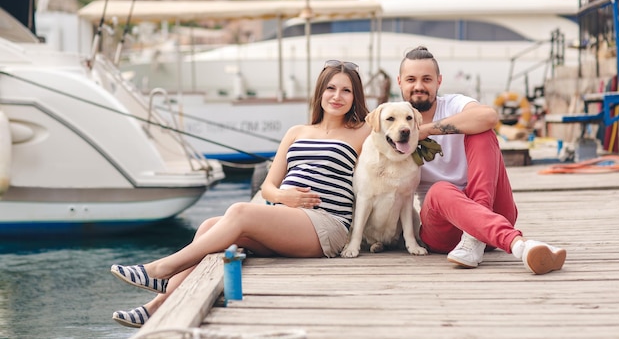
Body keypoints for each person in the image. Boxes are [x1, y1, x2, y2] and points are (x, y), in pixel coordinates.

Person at [109, 60, 371, 328]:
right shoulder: (297, 132)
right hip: (286, 215)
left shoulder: (364, 130)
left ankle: (161, 269)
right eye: (331, 88)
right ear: (320, 92)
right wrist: (284, 197)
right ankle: (156, 307)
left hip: (326, 224)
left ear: (355, 96)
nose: (337, 96)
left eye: (346, 91)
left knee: (238, 211)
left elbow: (407, 132)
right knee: (210, 226)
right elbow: (268, 187)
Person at [398, 46, 567, 275]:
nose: (419, 86)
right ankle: (519, 245)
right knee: (439, 191)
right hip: (443, 228)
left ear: (438, 81)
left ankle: (474, 237)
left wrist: (427, 130)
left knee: (483, 131)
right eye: (411, 79)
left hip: (491, 210)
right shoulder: (394, 121)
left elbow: (489, 117)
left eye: (426, 79)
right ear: (399, 82)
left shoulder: (454, 105)